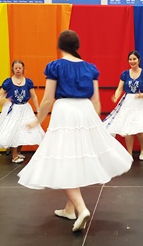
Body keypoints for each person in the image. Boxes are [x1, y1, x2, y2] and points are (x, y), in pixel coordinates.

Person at [18, 30, 133, 232]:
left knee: (64, 157)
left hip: (65, 111)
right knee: (76, 157)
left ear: (59, 46)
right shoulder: (90, 68)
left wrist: (37, 120)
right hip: (85, 111)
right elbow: (96, 101)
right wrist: (94, 123)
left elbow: (47, 98)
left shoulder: (55, 66)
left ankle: (80, 207)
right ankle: (69, 209)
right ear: (77, 46)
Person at [103, 51, 143, 160]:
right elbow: (120, 88)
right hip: (128, 101)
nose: (132, 61)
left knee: (140, 128)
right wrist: (116, 97)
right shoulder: (125, 74)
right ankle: (129, 153)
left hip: (142, 103)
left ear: (139, 60)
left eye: (134, 59)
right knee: (128, 128)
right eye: (130, 59)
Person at [0, 60, 44, 163]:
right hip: (13, 109)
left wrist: (38, 108)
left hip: (25, 108)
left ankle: (17, 152)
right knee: (14, 131)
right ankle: (14, 156)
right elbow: (0, 95)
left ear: (23, 69)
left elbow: (34, 96)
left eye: (20, 68)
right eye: (16, 68)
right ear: (12, 69)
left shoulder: (28, 82)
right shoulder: (8, 82)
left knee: (23, 130)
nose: (18, 70)